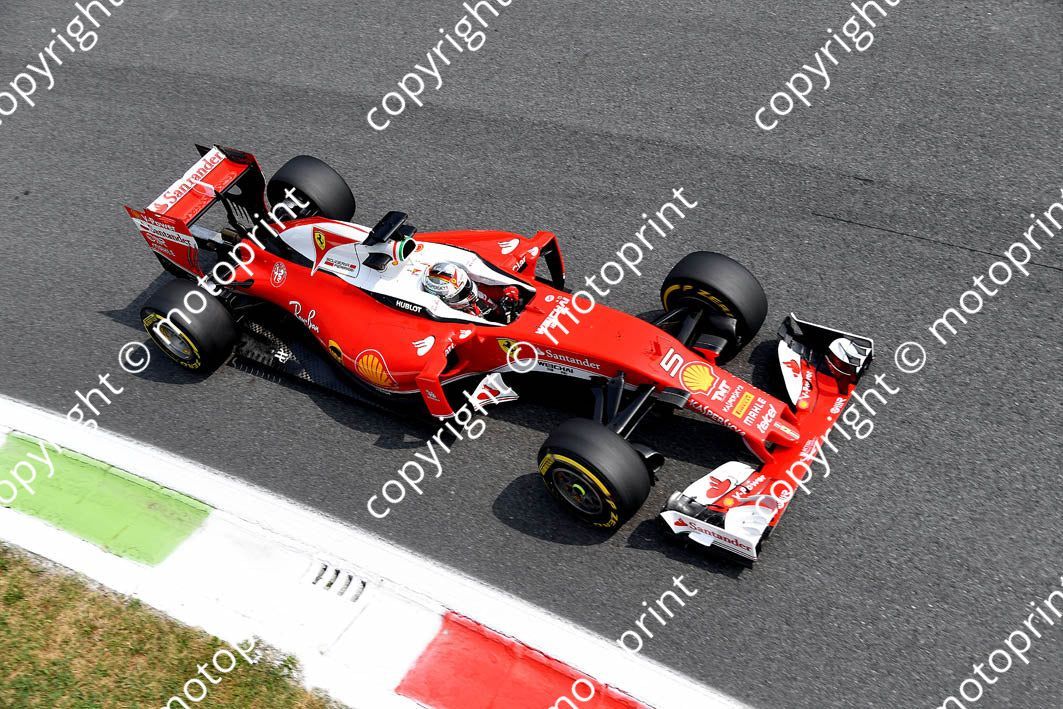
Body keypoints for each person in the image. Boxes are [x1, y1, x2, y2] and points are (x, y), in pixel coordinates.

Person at [421, 262, 520, 322]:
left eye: (466, 286)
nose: (469, 294)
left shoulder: (479, 289)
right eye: (460, 294)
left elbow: (505, 290)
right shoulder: (453, 317)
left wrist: (511, 293)